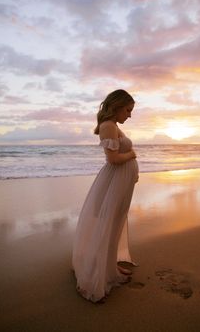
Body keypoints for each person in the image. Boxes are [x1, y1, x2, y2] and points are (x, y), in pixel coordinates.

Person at [72, 89, 139, 303]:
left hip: (121, 182)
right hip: (114, 183)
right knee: (109, 224)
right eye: (128, 110)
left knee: (115, 223)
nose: (129, 115)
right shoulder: (108, 126)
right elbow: (113, 159)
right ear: (117, 106)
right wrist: (133, 154)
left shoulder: (114, 126)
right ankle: (98, 274)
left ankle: (110, 267)